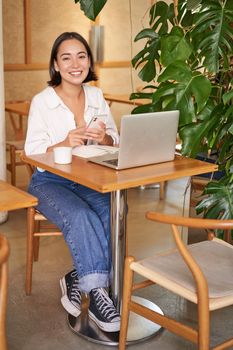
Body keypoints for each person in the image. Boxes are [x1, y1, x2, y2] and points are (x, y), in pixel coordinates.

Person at [24, 32, 120, 332]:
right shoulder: (42, 101)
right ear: (56, 64)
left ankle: (78, 278)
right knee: (81, 217)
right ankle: (99, 296)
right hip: (49, 182)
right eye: (66, 57)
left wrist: (104, 137)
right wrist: (66, 141)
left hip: (89, 177)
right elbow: (32, 153)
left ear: (89, 61)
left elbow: (115, 140)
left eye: (81, 56)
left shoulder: (96, 96)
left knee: (112, 212)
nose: (75, 64)